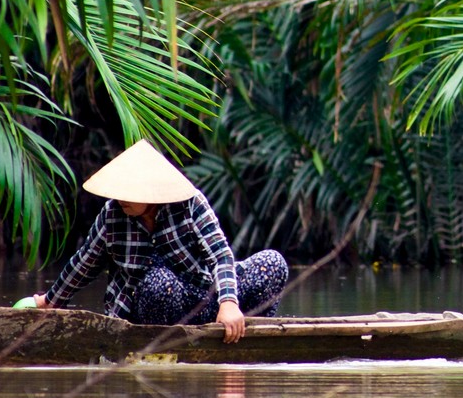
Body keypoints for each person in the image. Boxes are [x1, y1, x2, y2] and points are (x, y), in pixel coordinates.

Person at [25, 140, 287, 343]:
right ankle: (164, 347)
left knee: (272, 263)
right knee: (159, 283)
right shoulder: (113, 214)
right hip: (149, 308)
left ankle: (238, 334)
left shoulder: (189, 204)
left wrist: (228, 302)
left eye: (129, 193)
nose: (121, 199)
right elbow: (85, 263)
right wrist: (51, 300)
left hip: (200, 299)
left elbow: (220, 255)